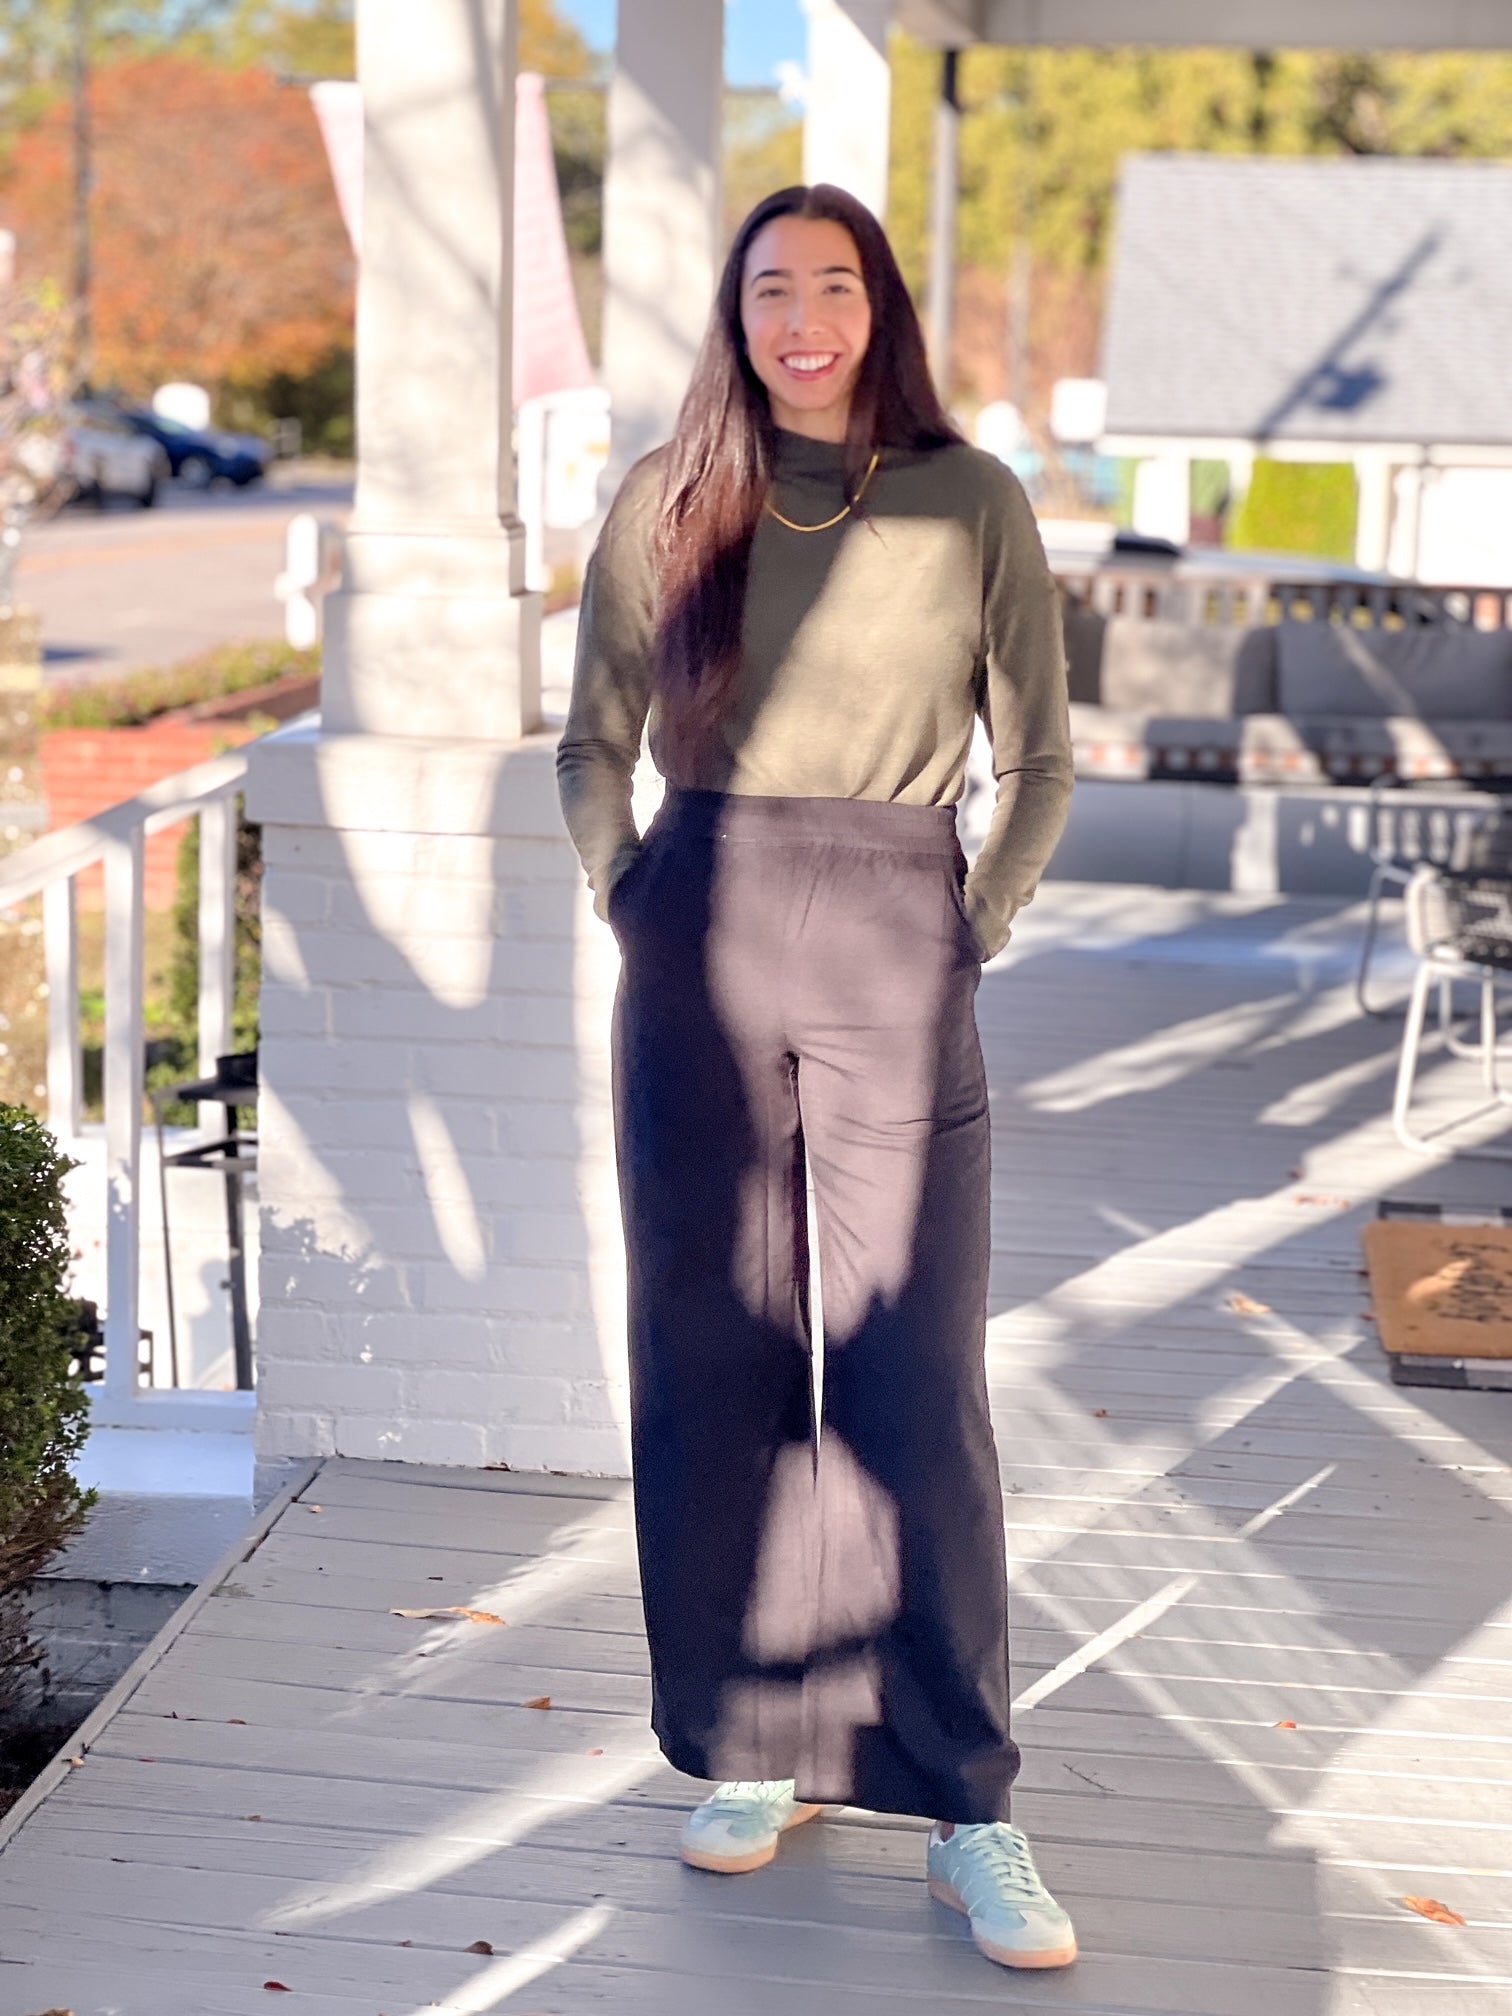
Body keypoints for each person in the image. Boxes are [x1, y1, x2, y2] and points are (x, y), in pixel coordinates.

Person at [557, 183, 1076, 1974]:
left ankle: (967, 1806)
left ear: (878, 309)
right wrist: (633, 895)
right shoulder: (670, 498)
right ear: (736, 314)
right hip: (699, 928)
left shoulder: (967, 497)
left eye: (833, 286)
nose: (803, 319)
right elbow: (592, 738)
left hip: (892, 925)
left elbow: (1043, 756)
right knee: (717, 1352)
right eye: (770, 287)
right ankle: (755, 1743)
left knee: (910, 1371)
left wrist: (968, 927)